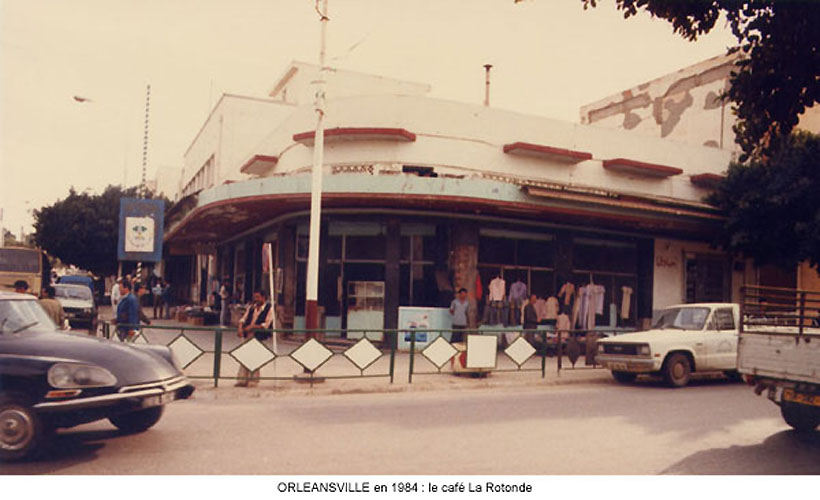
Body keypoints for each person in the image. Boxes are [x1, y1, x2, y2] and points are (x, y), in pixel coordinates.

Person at [235, 290, 274, 387]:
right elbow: (243, 318)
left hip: (259, 336)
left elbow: (266, 324)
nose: (256, 299)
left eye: (258, 297)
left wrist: (253, 326)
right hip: (248, 335)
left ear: (263, 298)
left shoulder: (269, 309)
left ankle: (253, 379)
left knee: (255, 357)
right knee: (244, 357)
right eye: (255, 297)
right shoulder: (251, 307)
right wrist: (240, 327)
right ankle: (242, 379)